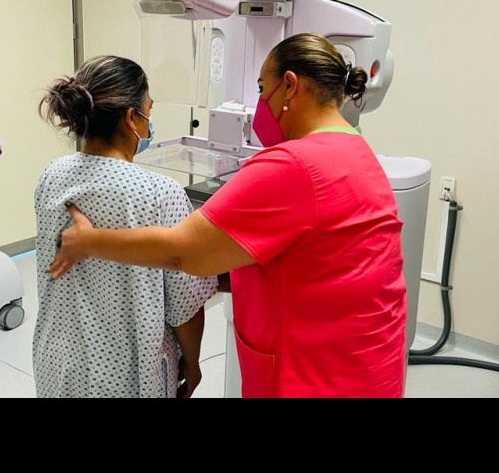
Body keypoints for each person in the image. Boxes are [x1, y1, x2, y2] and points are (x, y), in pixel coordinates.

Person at [48, 33, 407, 398]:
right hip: (367, 366)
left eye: (262, 89)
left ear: (289, 86)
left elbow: (184, 254)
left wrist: (89, 241)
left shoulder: (294, 166)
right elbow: (314, 265)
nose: (260, 102)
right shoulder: (357, 151)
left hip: (314, 377)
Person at [33, 55, 218, 398]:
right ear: (131, 118)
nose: (150, 122)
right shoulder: (160, 194)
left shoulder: (52, 175)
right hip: (126, 377)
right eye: (148, 110)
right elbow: (184, 307)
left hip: (57, 363)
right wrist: (192, 364)